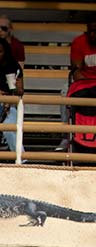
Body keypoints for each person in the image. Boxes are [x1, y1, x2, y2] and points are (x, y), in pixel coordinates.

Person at [55, 15, 96, 152]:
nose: (92, 34)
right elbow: (76, 72)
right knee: (64, 92)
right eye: (90, 31)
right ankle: (67, 135)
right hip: (83, 82)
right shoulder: (79, 42)